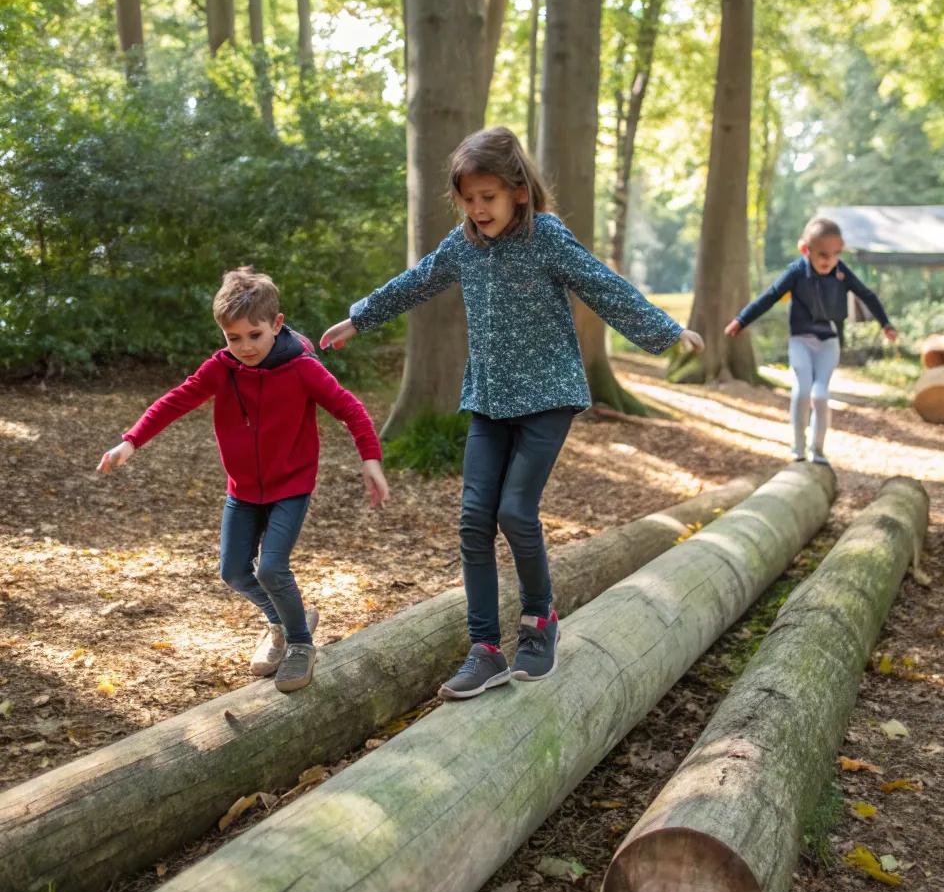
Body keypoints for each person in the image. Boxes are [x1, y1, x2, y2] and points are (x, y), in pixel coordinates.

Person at [320, 127, 704, 701]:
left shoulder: (546, 236)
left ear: (519, 192)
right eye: (469, 200)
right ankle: (485, 649)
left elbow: (602, 284)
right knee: (474, 519)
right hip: (490, 399)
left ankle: (539, 620)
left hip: (549, 397)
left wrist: (666, 329)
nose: (478, 210)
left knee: (516, 512)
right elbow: (418, 280)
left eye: (488, 198)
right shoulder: (463, 244)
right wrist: (360, 318)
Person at [97, 266, 388, 693]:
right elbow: (174, 402)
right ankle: (282, 622)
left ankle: (301, 644)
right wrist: (130, 442)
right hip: (243, 490)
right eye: (233, 338)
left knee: (272, 567)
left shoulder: (303, 369)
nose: (244, 347)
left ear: (276, 324)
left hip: (291, 485)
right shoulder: (221, 369)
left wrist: (371, 459)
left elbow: (350, 409)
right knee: (233, 570)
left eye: (254, 335)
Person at [724, 215, 897, 466]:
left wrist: (886, 323)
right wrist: (741, 320)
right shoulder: (796, 272)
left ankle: (818, 450)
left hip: (829, 340)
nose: (830, 261)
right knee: (803, 390)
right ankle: (798, 447)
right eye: (823, 255)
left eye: (836, 254)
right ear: (806, 249)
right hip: (801, 340)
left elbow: (866, 294)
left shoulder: (840, 271)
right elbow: (770, 296)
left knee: (821, 395)